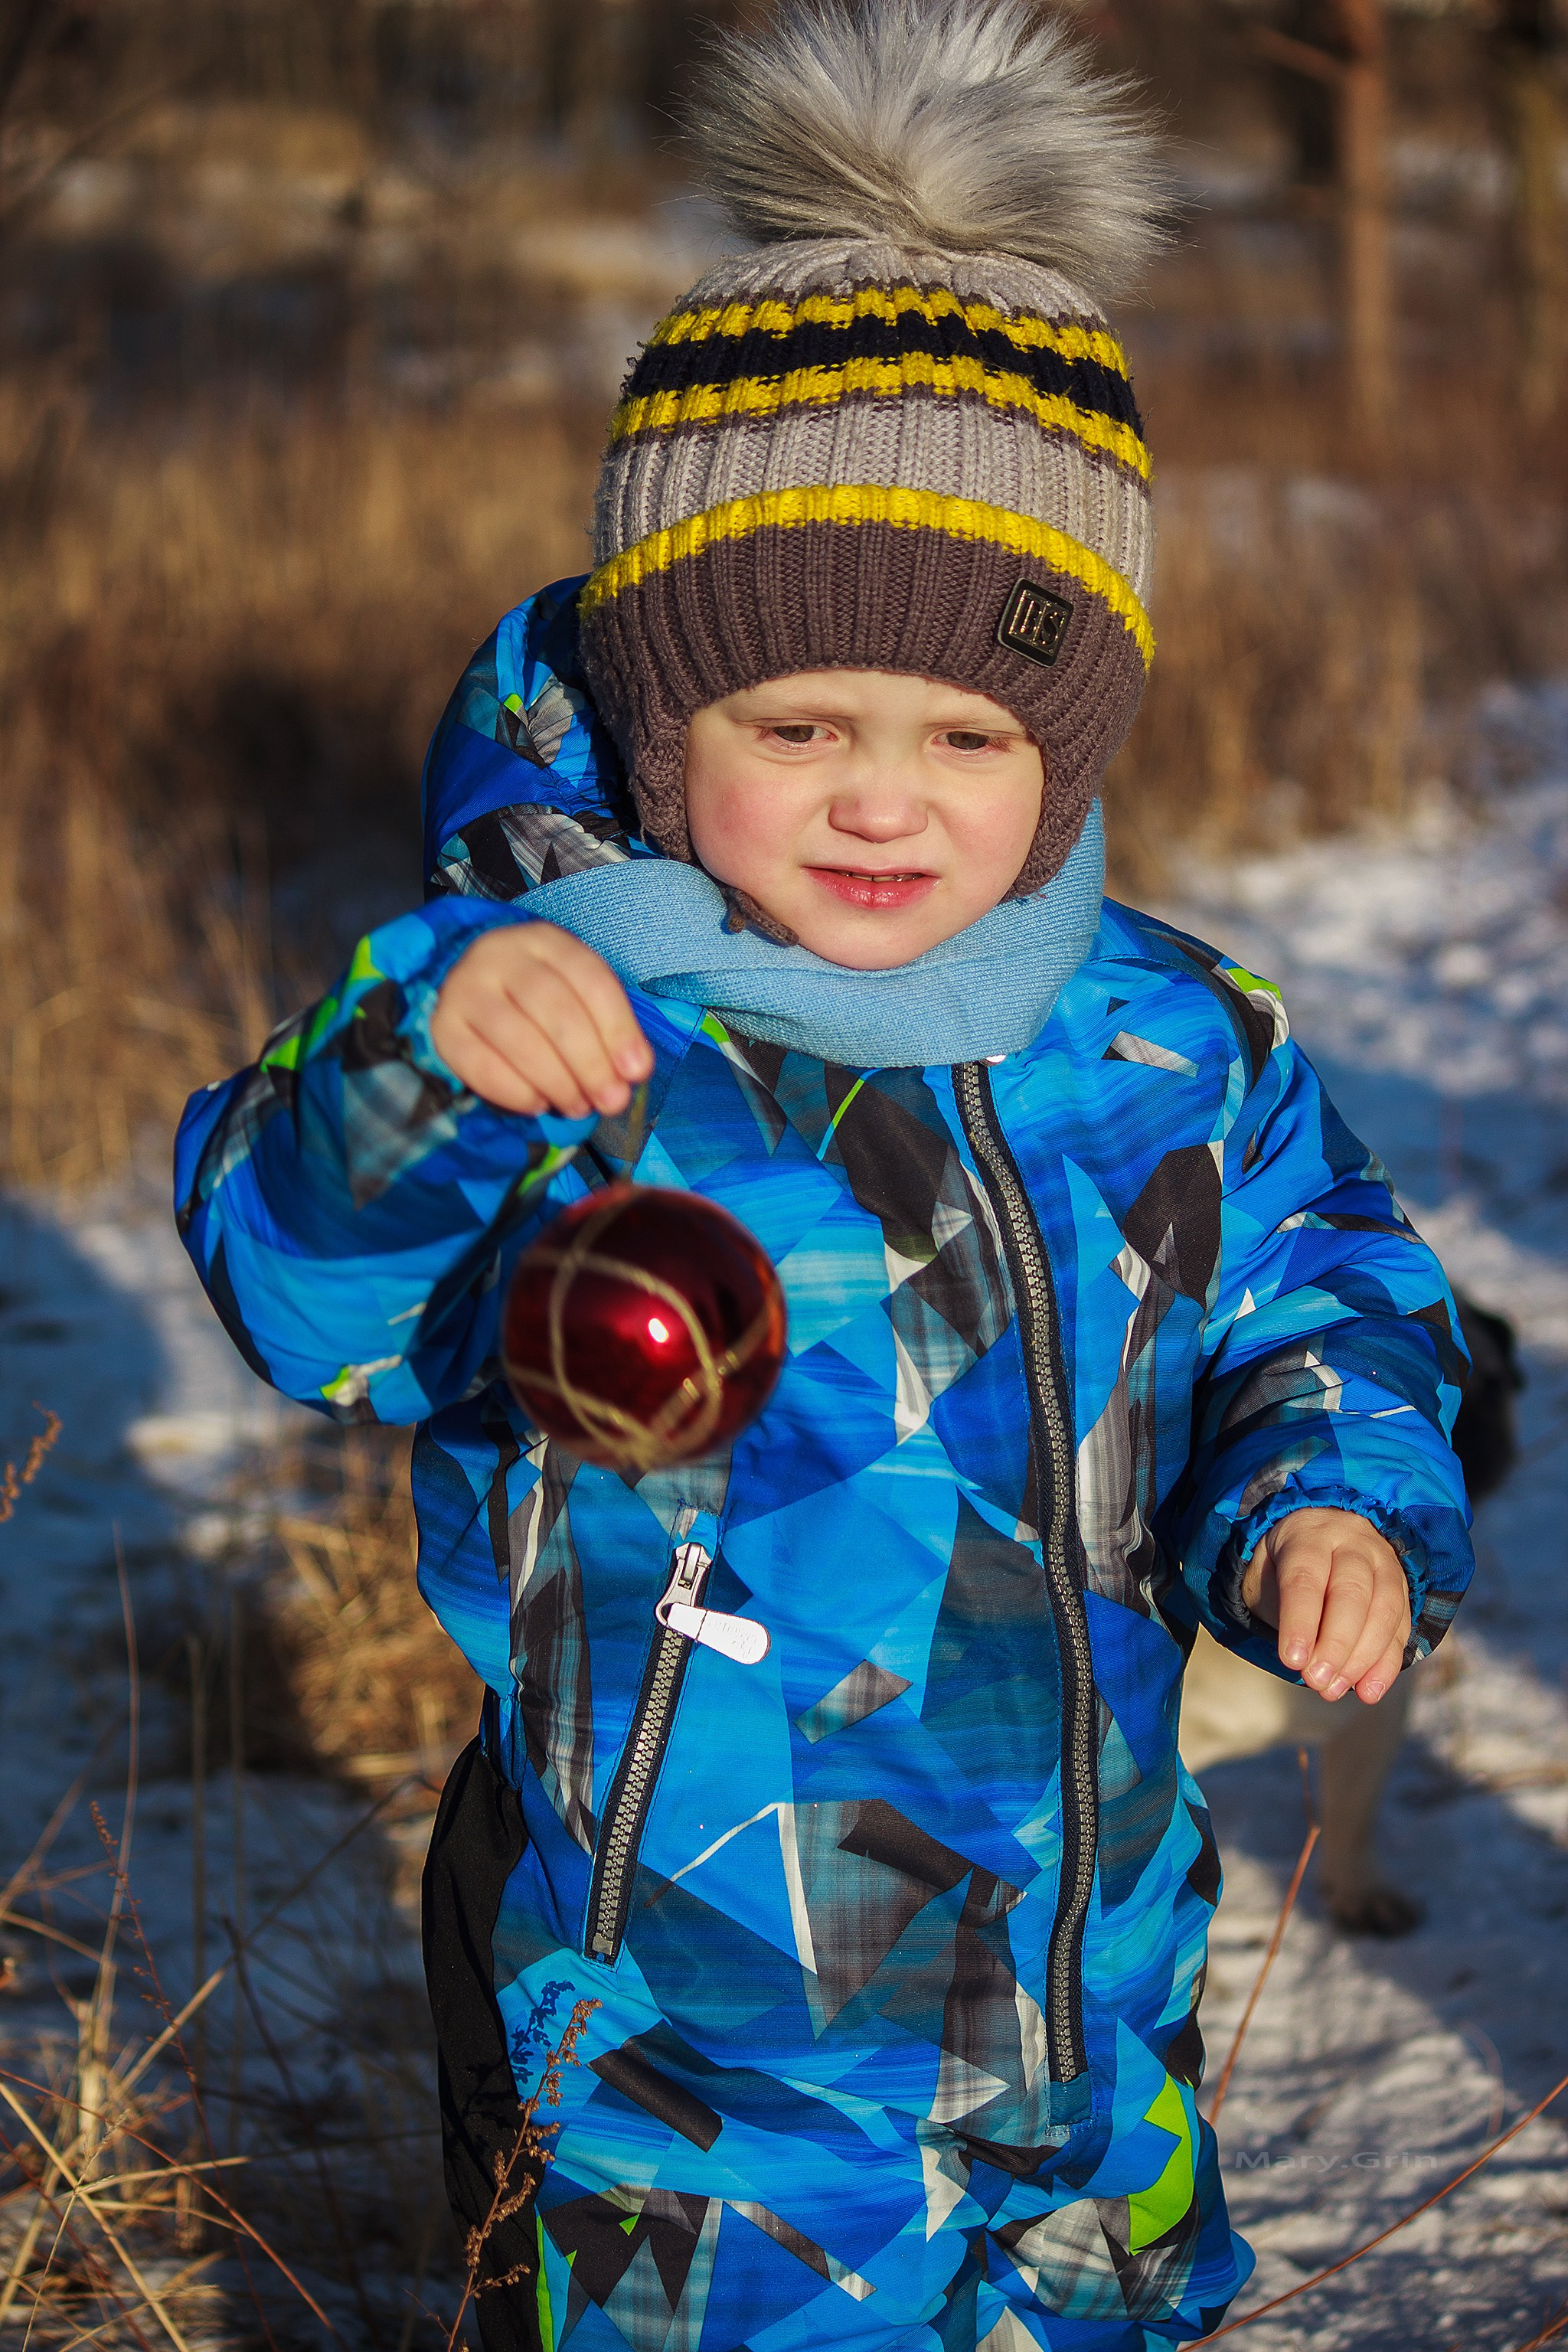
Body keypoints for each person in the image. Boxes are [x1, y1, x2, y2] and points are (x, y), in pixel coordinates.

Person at [174, 5, 1473, 2346]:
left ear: (1066, 750)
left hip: (1097, 2019)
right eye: (798, 727)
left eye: (970, 735)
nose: (887, 803)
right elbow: (305, 1287)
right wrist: (419, 1072)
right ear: (674, 729)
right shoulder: (559, 1027)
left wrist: (1320, 1493)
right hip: (703, 2075)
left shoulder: (1172, 1036)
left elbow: (1315, 1289)